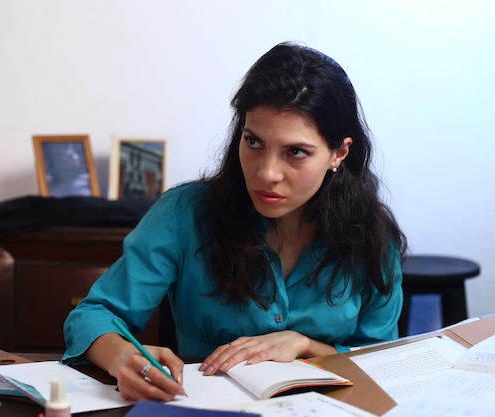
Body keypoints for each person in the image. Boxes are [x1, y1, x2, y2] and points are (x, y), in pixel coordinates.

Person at [62, 41, 407, 402]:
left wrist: (305, 345)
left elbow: (382, 362)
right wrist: (123, 358)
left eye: (296, 152)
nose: (267, 173)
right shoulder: (185, 213)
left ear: (339, 153)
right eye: (253, 141)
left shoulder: (371, 235)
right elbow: (94, 314)